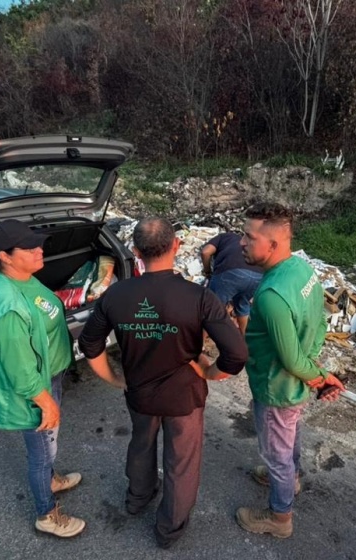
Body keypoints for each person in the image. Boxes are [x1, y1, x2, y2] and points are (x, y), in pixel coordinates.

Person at [78, 217, 248, 549]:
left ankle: (137, 498)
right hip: (184, 397)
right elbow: (237, 353)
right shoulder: (199, 297)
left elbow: (89, 345)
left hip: (139, 393)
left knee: (141, 445)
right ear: (176, 246)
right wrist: (210, 372)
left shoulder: (116, 295)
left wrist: (114, 378)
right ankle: (169, 530)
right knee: (181, 463)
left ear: (135, 251)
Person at [234, 202, 345, 539]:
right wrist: (318, 371)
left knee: (276, 451)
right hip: (295, 383)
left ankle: (279, 518)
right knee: (290, 433)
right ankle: (290, 479)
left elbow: (293, 361)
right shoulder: (301, 269)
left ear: (272, 244)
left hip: (277, 386)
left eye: (248, 237)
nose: (240, 242)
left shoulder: (271, 296)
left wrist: (324, 378)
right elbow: (319, 320)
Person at [0, 219, 85, 538]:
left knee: (47, 447)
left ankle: (50, 479)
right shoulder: (8, 305)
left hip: (51, 375)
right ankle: (46, 514)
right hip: (36, 389)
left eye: (38, 243)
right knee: (40, 453)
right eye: (29, 247)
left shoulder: (23, 278)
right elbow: (20, 372)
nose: (39, 250)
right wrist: (46, 403)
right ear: (5, 256)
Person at [200, 231, 263, 334]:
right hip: (258, 276)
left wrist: (208, 272)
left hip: (230, 272)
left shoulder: (223, 237)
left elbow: (205, 252)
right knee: (243, 306)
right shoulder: (244, 242)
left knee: (212, 307)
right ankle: (244, 341)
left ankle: (199, 344)